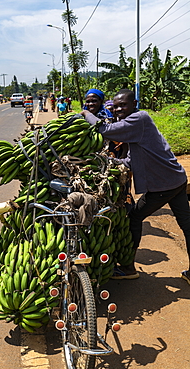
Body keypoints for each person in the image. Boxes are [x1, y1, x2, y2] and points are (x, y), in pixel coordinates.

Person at [81, 88, 190, 285]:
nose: (119, 109)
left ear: (134, 104)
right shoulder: (136, 125)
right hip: (177, 180)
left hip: (164, 185)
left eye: (123, 105)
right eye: (116, 106)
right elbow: (132, 160)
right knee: (187, 226)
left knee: (135, 217)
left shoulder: (139, 118)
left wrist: (86, 114)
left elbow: (105, 130)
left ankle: (129, 268)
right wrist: (108, 162)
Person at [83, 88, 127, 159]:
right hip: (86, 153)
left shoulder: (108, 117)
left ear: (101, 101)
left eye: (94, 101)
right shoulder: (81, 117)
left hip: (109, 153)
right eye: (88, 101)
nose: (90, 104)